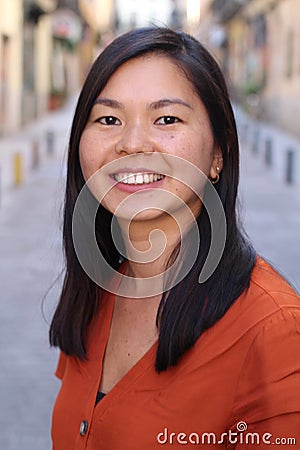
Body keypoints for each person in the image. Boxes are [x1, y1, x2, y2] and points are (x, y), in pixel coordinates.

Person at [50, 27, 300, 449]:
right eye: (108, 119)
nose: (131, 144)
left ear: (218, 152)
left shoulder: (274, 333)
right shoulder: (97, 290)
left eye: (167, 119)